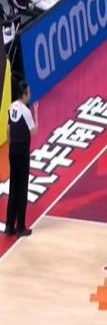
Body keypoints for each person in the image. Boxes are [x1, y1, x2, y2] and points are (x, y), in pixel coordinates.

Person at [4, 82, 38, 238]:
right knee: (22, 188)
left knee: (13, 187)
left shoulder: (12, 107)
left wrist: (10, 147)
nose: (29, 95)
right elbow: (34, 132)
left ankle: (9, 226)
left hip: (13, 151)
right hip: (22, 152)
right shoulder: (26, 111)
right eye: (28, 92)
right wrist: (36, 112)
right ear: (24, 95)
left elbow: (8, 129)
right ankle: (21, 227)